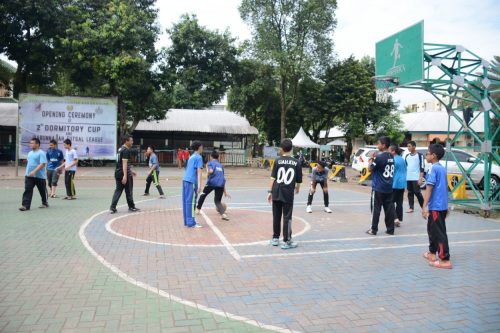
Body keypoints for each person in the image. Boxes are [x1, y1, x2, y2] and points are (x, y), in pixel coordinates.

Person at [267, 139, 302, 249]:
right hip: (288, 193)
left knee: (276, 216)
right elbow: (298, 180)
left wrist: (270, 192)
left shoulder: (277, 161)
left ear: (281, 149)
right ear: (292, 149)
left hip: (276, 191)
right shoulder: (297, 162)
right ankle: (287, 241)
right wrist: (297, 188)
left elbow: (273, 178)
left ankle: (275, 238)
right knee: (287, 217)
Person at [422, 144, 452, 269]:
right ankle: (432, 253)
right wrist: (447, 205)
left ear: (433, 156)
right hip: (440, 206)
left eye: (427, 153)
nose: (426, 155)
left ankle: (445, 260)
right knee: (432, 230)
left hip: (437, 207)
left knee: (439, 233)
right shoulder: (440, 168)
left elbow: (429, 188)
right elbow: (446, 188)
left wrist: (424, 206)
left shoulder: (434, 169)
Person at [366, 136, 395, 236]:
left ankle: (373, 229)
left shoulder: (380, 157)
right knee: (389, 209)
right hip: (389, 186)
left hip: (379, 187)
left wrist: (370, 158)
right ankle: (390, 229)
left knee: (376, 209)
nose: (377, 145)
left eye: (379, 143)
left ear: (383, 145)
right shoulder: (391, 156)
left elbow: (370, 168)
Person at [196, 150, 230, 220]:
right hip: (220, 184)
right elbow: (223, 178)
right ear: (218, 157)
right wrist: (225, 192)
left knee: (203, 194)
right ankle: (223, 214)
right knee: (217, 201)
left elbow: (211, 171)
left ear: (211, 157)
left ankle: (198, 209)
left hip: (212, 182)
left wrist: (207, 174)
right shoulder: (221, 165)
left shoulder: (210, 163)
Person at [110, 135, 139, 214]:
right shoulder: (126, 150)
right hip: (124, 173)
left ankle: (112, 207)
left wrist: (131, 171)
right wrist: (125, 176)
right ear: (126, 141)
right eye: (131, 141)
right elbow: (124, 163)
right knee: (128, 191)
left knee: (118, 190)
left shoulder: (120, 149)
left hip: (117, 173)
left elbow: (119, 163)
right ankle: (131, 207)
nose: (132, 142)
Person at [20, 138, 49, 211]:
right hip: (29, 176)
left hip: (40, 176)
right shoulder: (30, 153)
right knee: (28, 190)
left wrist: (34, 171)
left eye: (32, 143)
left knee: (42, 190)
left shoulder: (41, 153)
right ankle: (25, 206)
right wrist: (28, 172)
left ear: (37, 144)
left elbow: (42, 164)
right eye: (30, 143)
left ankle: (45, 203)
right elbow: (30, 163)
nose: (31, 144)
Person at [182, 141, 204, 228]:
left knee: (187, 202)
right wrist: (199, 185)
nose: (202, 148)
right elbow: (199, 171)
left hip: (185, 180)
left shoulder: (191, 157)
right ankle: (191, 223)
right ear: (199, 147)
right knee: (191, 202)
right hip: (191, 182)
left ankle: (187, 221)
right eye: (202, 146)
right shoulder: (199, 157)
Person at [389, 145, 407, 227]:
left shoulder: (393, 160)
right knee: (399, 202)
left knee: (390, 201)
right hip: (402, 182)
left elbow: (391, 172)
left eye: (389, 150)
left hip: (395, 182)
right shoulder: (402, 159)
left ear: (393, 151)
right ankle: (399, 218)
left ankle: (395, 218)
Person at [405, 141, 425, 213]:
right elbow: (406, 167)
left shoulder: (420, 155)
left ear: (414, 146)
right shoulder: (407, 156)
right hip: (408, 177)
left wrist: (420, 178)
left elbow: (422, 167)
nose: (408, 148)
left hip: (416, 177)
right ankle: (411, 207)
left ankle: (423, 206)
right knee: (410, 193)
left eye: (409, 146)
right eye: (407, 146)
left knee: (417, 192)